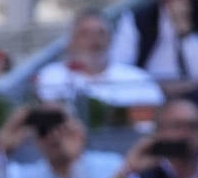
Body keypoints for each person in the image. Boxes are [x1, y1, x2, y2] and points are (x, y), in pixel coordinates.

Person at [35, 8, 165, 109]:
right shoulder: (50, 78)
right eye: (85, 34)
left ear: (111, 39)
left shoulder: (139, 81)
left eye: (101, 33)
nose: (94, 40)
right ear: (71, 41)